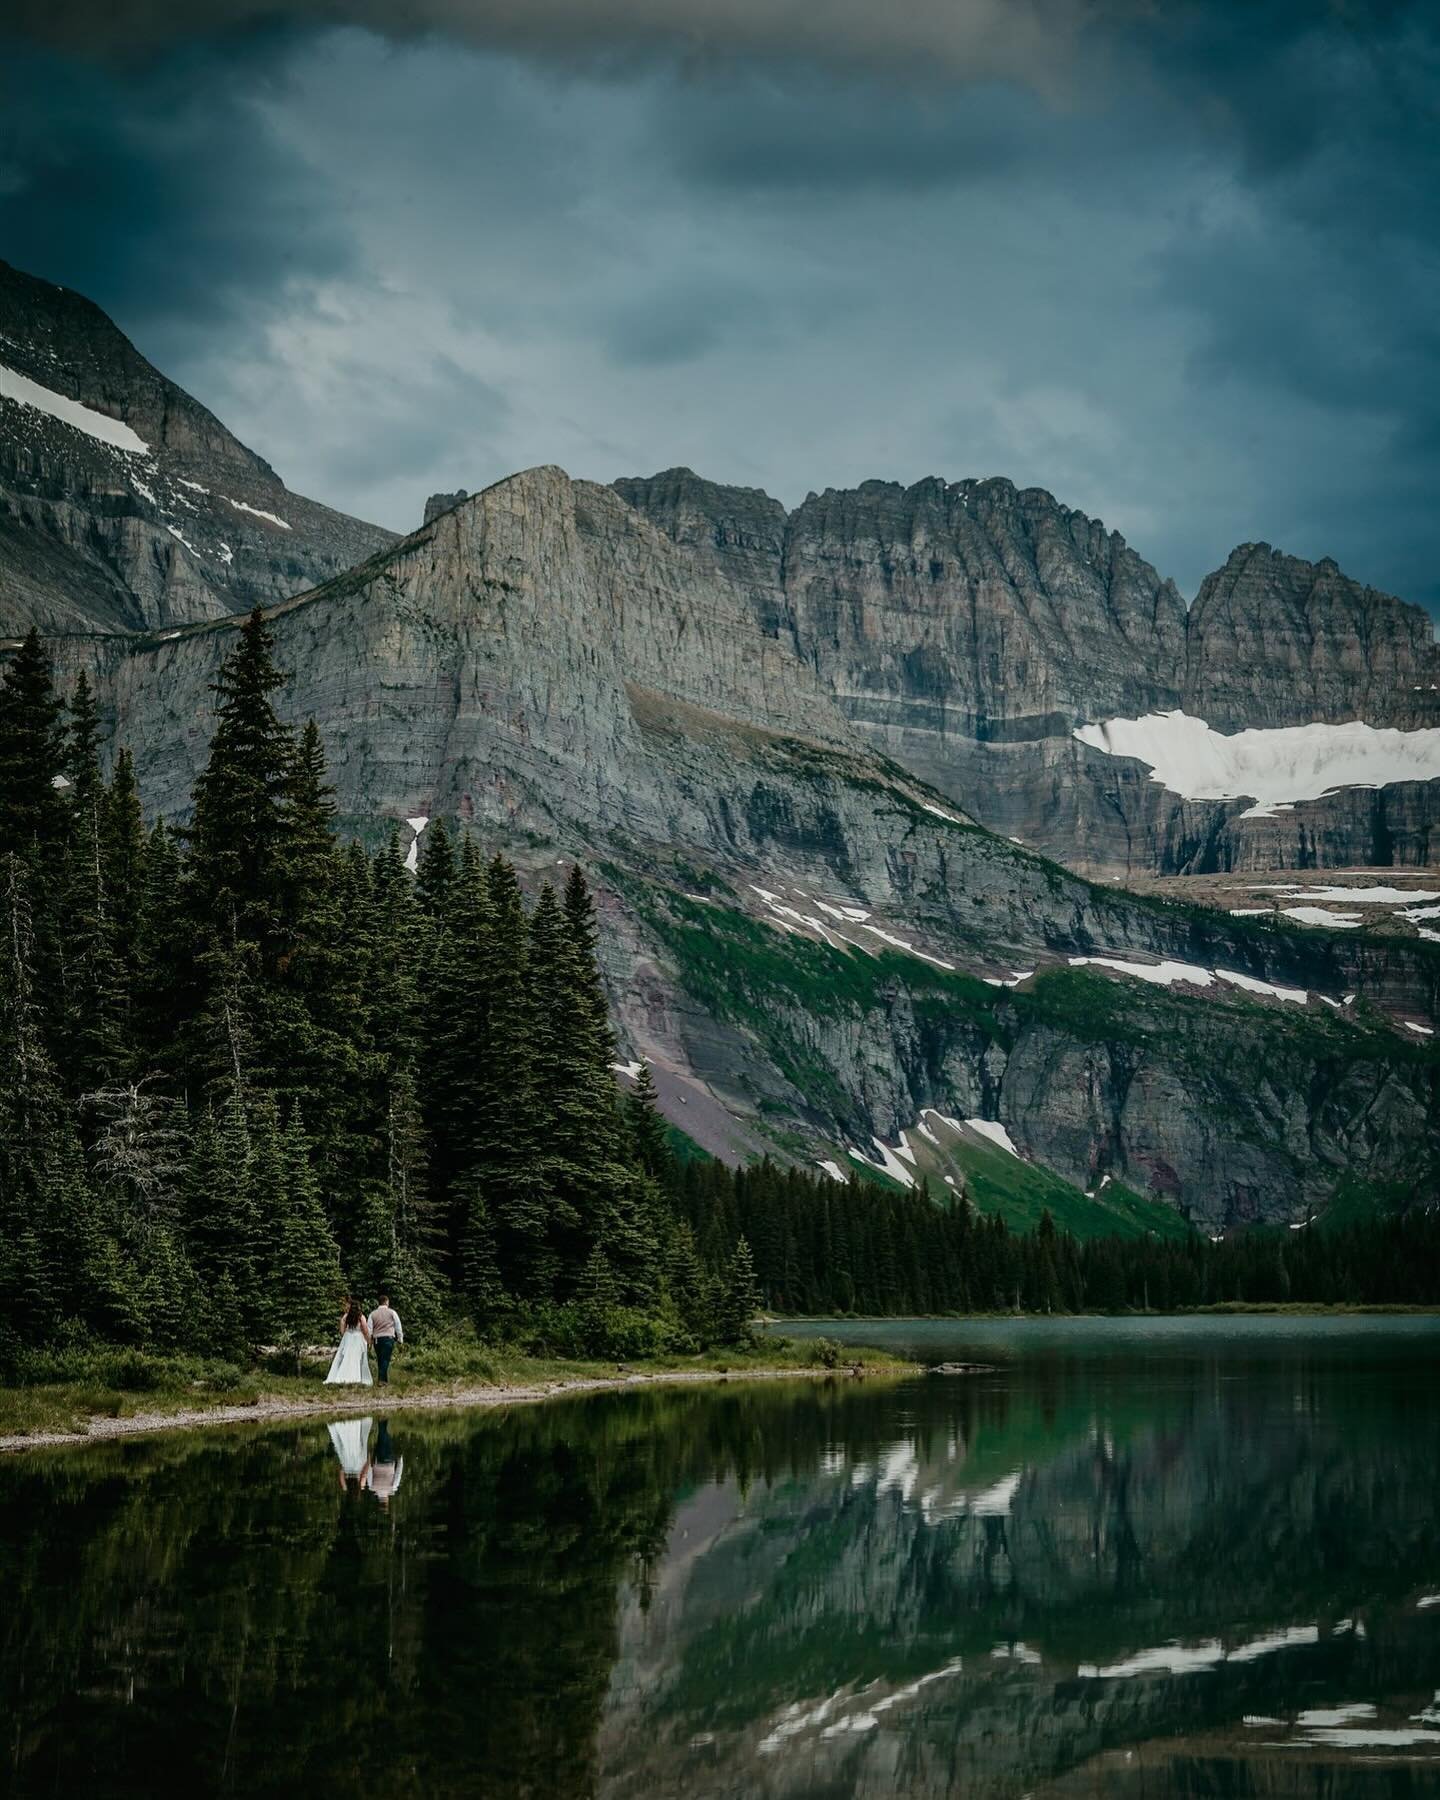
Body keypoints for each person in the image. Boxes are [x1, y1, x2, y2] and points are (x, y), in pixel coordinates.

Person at [323, 1297, 373, 1385]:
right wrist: (368, 1340)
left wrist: (346, 1334)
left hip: (348, 1337)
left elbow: (342, 1330)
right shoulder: (361, 1317)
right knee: (356, 1359)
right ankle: (355, 1377)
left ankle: (342, 1376)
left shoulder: (346, 1317)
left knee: (345, 1358)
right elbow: (365, 1329)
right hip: (358, 1338)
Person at [367, 1292, 404, 1384]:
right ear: (386, 1302)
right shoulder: (392, 1312)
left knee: (380, 1359)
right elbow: (398, 1326)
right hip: (388, 1338)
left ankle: (383, 1380)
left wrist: (369, 1341)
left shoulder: (372, 1314)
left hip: (377, 1340)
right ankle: (382, 1380)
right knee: (385, 1359)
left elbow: (369, 1329)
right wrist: (400, 1339)